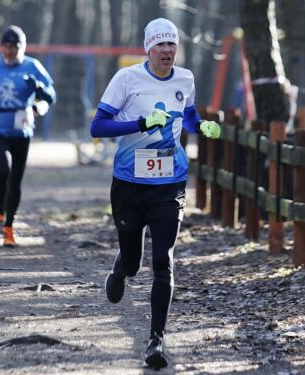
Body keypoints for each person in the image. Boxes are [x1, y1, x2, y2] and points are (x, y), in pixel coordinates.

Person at [90, 18, 221, 369]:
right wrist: (140, 124)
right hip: (130, 185)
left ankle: (156, 341)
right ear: (148, 48)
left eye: (172, 45)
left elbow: (188, 117)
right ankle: (121, 269)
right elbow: (97, 126)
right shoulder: (127, 80)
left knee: (163, 260)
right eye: (160, 45)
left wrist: (202, 125)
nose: (167, 51)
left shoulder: (185, 79)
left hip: (170, 184)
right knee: (134, 261)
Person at [0, 25, 55, 248]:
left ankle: (7, 226)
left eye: (14, 47)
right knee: (1, 170)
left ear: (23, 47)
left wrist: (37, 89)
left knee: (15, 180)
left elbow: (50, 95)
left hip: (21, 128)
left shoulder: (33, 66)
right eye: (6, 47)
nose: (9, 51)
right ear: (1, 47)